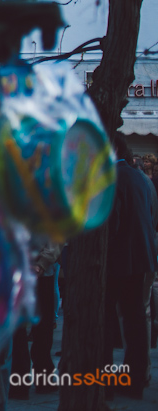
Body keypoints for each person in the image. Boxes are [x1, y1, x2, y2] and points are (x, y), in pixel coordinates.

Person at [104, 133, 158, 399]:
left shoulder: (112, 178)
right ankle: (136, 379)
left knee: (108, 320)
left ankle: (105, 382)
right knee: (136, 320)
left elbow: (111, 224)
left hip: (120, 260)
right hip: (142, 259)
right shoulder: (141, 178)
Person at [9, 235, 61, 398]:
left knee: (32, 328)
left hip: (31, 271)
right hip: (29, 271)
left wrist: (41, 264)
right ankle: (33, 379)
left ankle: (23, 382)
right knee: (32, 328)